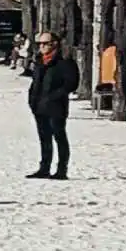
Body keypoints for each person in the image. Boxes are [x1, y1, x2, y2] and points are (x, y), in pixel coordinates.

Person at [27, 29, 79, 179]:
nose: (41, 47)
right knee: (44, 138)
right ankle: (44, 168)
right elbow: (35, 82)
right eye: (39, 44)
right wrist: (32, 99)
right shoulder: (39, 61)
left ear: (54, 44)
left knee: (59, 136)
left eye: (45, 43)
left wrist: (54, 97)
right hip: (39, 106)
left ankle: (61, 170)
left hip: (56, 107)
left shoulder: (64, 62)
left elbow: (71, 84)